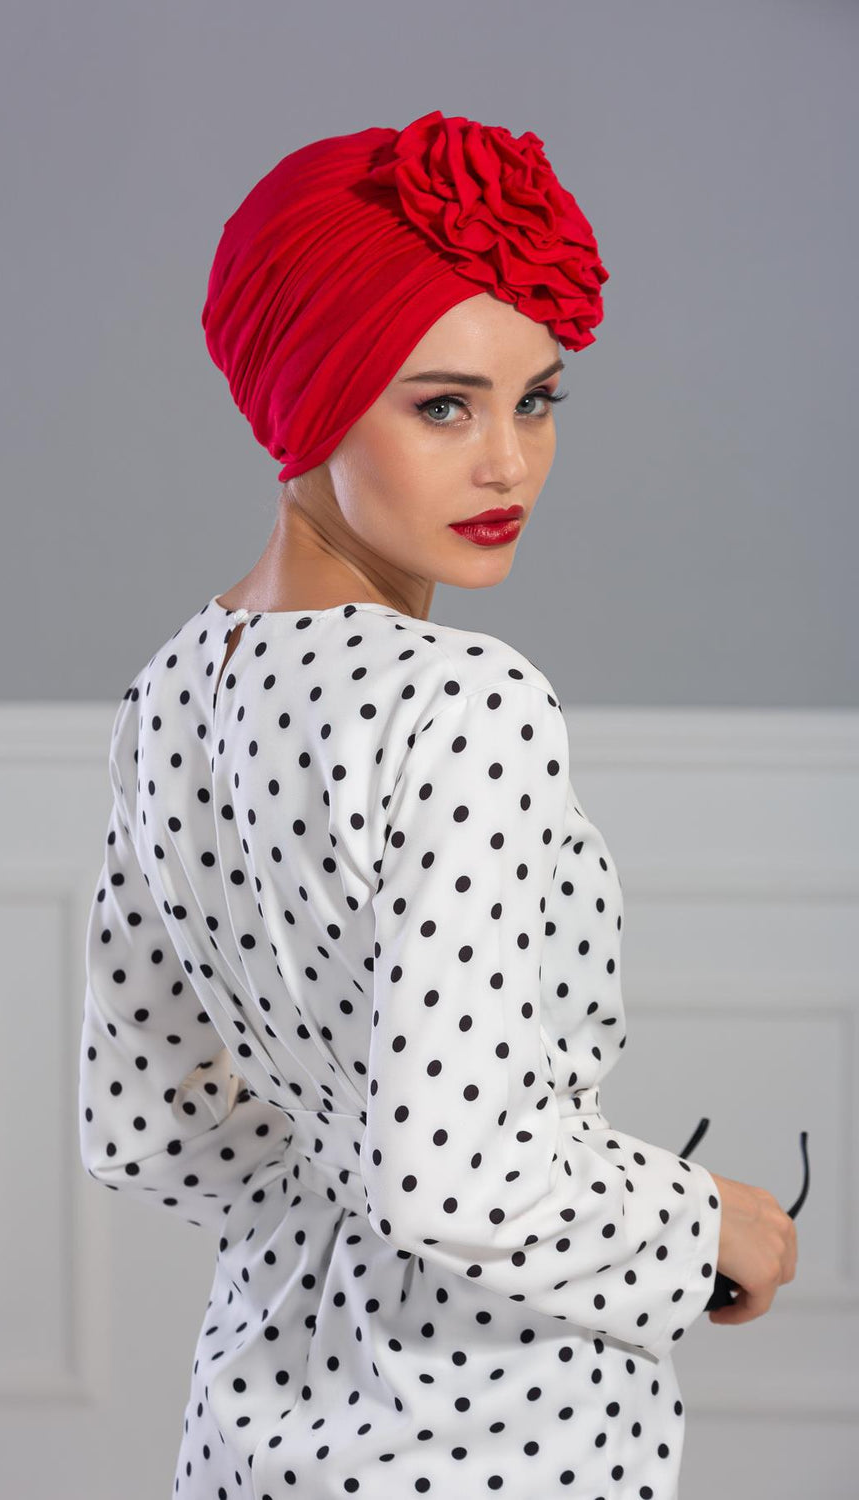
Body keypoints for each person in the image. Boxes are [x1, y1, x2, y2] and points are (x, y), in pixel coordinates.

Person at [78, 111, 796, 1499]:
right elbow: (452, 1178)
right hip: (499, 1436)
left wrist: (335, 1219)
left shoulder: (171, 689)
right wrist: (706, 1223)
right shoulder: (462, 701)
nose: (509, 464)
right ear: (308, 390)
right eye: (444, 405)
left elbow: (146, 1124)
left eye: (538, 400)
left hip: (255, 1420)